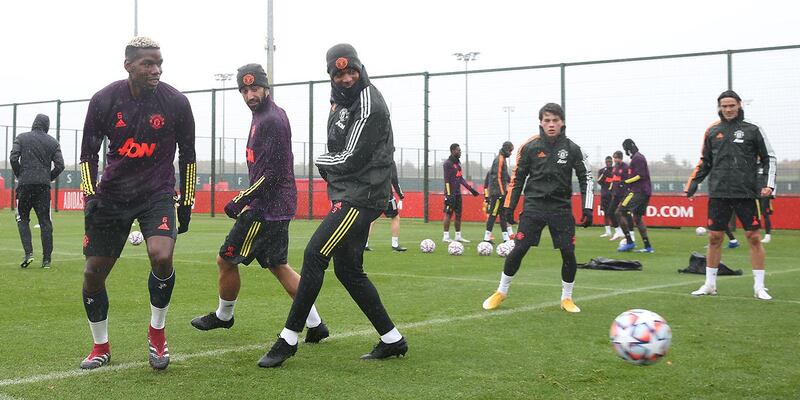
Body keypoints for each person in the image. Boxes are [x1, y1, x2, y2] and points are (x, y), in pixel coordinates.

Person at [258, 44, 407, 368]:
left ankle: (288, 338)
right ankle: (392, 339)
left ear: (360, 68)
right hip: (349, 191)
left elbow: (352, 156)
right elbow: (341, 151)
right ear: (331, 76)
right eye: (339, 73)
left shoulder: (370, 104)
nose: (347, 77)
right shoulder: (338, 101)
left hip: (363, 195)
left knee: (314, 254)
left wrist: (320, 162)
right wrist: (334, 171)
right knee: (349, 271)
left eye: (351, 70)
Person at [78, 37, 196, 370]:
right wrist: (90, 195)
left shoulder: (176, 102)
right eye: (148, 64)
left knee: (161, 255)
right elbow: (88, 154)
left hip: (156, 194)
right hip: (112, 196)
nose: (156, 70)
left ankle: (156, 333)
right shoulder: (104, 99)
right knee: (92, 275)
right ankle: (101, 346)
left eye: (159, 63)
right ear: (128, 65)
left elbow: (188, 156)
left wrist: (185, 203)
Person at [189, 64, 329, 343]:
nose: (250, 94)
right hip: (276, 205)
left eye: (255, 88)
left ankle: (224, 316)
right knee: (278, 265)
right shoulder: (264, 116)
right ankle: (316, 324)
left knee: (226, 259)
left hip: (265, 209)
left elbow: (273, 173)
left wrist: (241, 199)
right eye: (245, 90)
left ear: (266, 88)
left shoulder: (271, 120)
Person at [482, 103, 593, 313]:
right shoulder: (530, 147)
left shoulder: (573, 148)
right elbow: (517, 178)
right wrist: (509, 207)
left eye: (555, 121)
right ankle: (501, 291)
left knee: (568, 253)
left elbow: (586, 177)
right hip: (534, 206)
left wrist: (588, 209)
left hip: (561, 208)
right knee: (520, 248)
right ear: (541, 123)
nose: (551, 124)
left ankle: (567, 298)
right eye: (547, 120)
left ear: (562, 123)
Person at [685, 89, 776, 300]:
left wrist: (768, 185)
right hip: (718, 192)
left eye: (731, 105)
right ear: (720, 108)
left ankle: (759, 287)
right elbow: (705, 161)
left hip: (746, 192)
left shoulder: (753, 129)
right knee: (714, 237)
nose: (728, 109)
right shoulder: (712, 131)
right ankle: (709, 285)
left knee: (753, 237)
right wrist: (694, 183)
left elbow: (768, 158)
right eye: (724, 106)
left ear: (739, 105)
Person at [9, 114, 64, 269]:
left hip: (24, 185)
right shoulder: (53, 142)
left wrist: (21, 174)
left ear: (34, 123)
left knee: (23, 219)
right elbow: (60, 165)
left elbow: (13, 158)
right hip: (42, 187)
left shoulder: (21, 138)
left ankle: (28, 253)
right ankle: (46, 260)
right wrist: (47, 177)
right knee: (45, 222)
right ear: (47, 125)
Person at [616, 139, 653, 253]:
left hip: (638, 191)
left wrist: (625, 182)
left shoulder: (638, 158)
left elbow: (640, 176)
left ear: (627, 148)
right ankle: (648, 247)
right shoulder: (637, 157)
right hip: (644, 191)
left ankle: (629, 242)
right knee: (637, 218)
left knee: (619, 212)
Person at [365, 161, 407, 252]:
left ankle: (365, 243)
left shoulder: (371, 159)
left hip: (372, 194)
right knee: (395, 217)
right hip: (385, 194)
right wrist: (400, 194)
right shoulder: (389, 160)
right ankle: (395, 244)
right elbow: (394, 179)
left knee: (371, 219)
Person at [442, 143, 480, 243]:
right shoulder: (448, 164)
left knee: (458, 215)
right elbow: (446, 180)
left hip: (458, 194)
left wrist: (471, 190)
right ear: (453, 151)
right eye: (458, 150)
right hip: (450, 193)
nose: (460, 152)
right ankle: (445, 237)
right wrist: (449, 194)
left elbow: (460, 179)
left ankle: (458, 236)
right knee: (448, 213)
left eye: (460, 150)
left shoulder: (458, 164)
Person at [482, 141, 515, 243]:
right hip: (497, 193)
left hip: (499, 192)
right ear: (506, 149)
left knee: (502, 215)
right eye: (510, 151)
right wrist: (501, 193)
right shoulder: (500, 160)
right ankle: (486, 238)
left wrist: (511, 183)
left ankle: (506, 238)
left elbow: (504, 177)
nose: (511, 153)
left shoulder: (502, 159)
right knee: (493, 214)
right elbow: (497, 178)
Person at [607, 151, 628, 241]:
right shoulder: (615, 167)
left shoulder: (625, 167)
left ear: (621, 158)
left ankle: (628, 233)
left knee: (623, 214)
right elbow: (614, 180)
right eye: (614, 158)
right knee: (610, 212)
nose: (615, 160)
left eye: (616, 158)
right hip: (616, 194)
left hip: (623, 194)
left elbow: (627, 181)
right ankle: (618, 232)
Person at [597, 155, 614, 237]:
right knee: (606, 213)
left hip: (614, 195)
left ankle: (619, 230)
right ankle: (608, 231)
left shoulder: (615, 170)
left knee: (615, 213)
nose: (608, 163)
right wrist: (604, 174)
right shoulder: (602, 171)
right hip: (605, 195)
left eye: (610, 162)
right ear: (605, 162)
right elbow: (599, 181)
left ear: (612, 162)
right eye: (607, 162)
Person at [759, 167, 775, 244]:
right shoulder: (753, 164)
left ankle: (767, 235)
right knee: (754, 214)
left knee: (765, 214)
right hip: (755, 193)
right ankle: (755, 234)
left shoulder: (767, 165)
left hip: (765, 194)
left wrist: (771, 194)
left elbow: (772, 179)